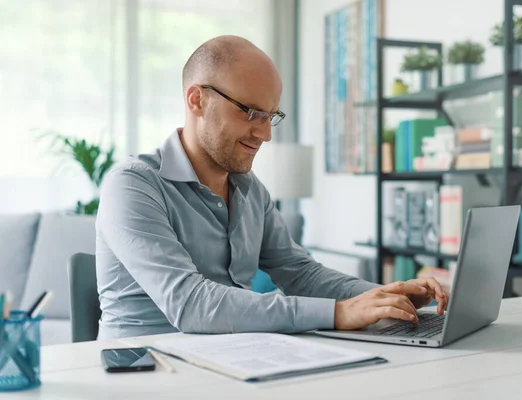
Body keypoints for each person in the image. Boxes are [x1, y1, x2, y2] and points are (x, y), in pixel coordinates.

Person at [95, 35, 448, 340]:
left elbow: (301, 273)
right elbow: (190, 303)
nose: (265, 134)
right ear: (196, 100)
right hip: (148, 370)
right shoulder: (133, 185)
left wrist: (385, 296)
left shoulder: (250, 190)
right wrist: (338, 313)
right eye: (250, 112)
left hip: (240, 357)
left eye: (271, 115)